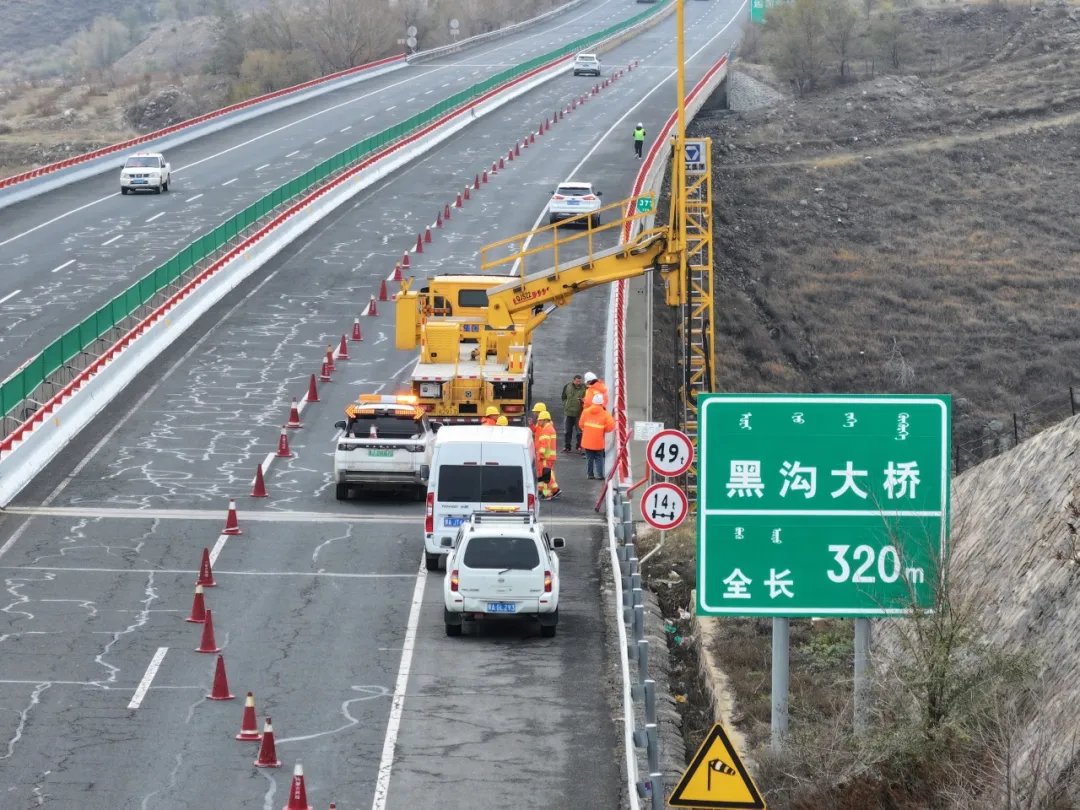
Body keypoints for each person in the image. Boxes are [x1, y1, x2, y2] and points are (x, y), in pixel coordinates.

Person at [579, 394, 615, 479]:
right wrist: (603, 430)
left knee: (589, 458)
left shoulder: (586, 411)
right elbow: (611, 425)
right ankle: (600, 474)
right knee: (599, 458)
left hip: (587, 439)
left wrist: (587, 430)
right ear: (602, 403)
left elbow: (581, 424)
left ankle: (590, 474)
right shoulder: (605, 414)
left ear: (593, 402)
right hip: (598, 440)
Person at [535, 410, 561, 499]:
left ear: (545, 420)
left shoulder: (546, 429)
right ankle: (551, 490)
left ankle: (548, 493)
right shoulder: (550, 428)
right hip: (550, 456)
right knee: (547, 474)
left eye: (540, 420)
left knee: (546, 475)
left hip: (546, 456)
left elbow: (544, 443)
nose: (538, 421)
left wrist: (541, 453)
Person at [561, 373, 587, 453]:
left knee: (579, 431)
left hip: (578, 414)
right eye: (577, 381)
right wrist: (565, 404)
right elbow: (563, 397)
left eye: (579, 381)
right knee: (567, 431)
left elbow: (587, 399)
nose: (578, 383)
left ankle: (579, 446)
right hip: (568, 413)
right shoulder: (567, 386)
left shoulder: (585, 388)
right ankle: (567, 447)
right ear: (574, 380)